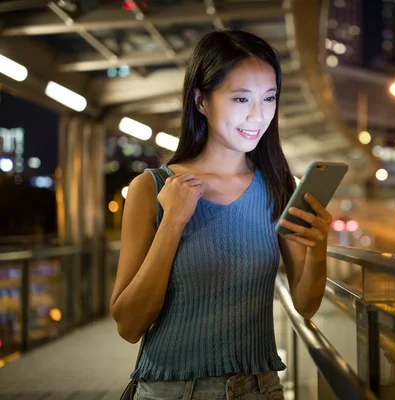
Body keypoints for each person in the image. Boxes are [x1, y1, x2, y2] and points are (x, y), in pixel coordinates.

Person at [109, 30, 332, 400]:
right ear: (201, 100)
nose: (257, 115)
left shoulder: (278, 188)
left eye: (269, 98)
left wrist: (319, 245)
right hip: (170, 392)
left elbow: (305, 305)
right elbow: (129, 325)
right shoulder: (152, 188)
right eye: (240, 98)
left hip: (260, 389)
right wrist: (173, 221)